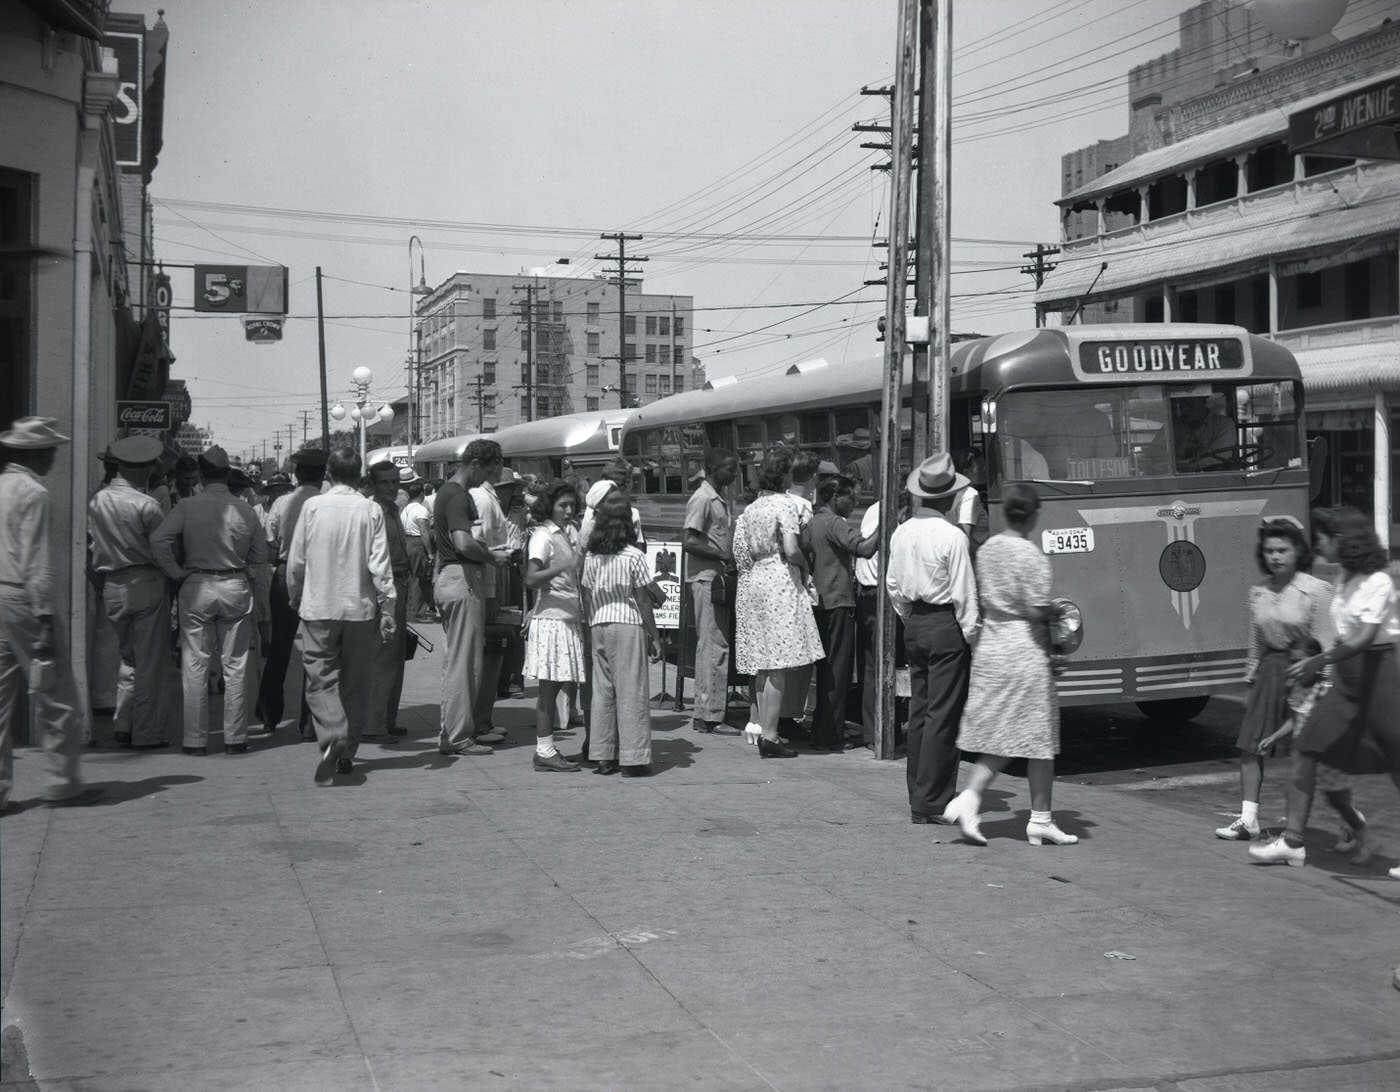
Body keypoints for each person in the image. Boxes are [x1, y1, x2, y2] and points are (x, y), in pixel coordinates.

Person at [1250, 507, 1400, 870]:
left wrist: (1320, 662)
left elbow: (1364, 638)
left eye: (1324, 539)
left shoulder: (1379, 581)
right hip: (1346, 681)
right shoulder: (1345, 576)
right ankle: (1293, 842)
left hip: (1382, 676)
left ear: (1343, 541)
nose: (1318, 545)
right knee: (1307, 747)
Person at [942, 484, 1076, 845]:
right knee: (1035, 736)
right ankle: (1017, 811)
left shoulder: (988, 550)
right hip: (1023, 649)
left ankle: (1034, 817)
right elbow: (1034, 610)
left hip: (993, 646)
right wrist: (1056, 613)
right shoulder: (1031, 555)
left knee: (1015, 733)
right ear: (1032, 516)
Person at [1213, 519, 1332, 842]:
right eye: (1269, 551)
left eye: (1283, 550)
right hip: (1270, 672)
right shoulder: (1259, 592)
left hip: (1306, 674)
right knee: (1251, 745)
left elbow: (1327, 643)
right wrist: (1250, 684)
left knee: (1312, 755)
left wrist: (1324, 686)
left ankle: (1350, 824)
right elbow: (1257, 645)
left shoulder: (1316, 590)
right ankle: (1248, 819)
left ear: (1298, 552)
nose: (1276, 557)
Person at [0, 417, 98, 809]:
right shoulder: (33, 492)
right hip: (23, 600)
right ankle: (63, 783)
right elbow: (36, 561)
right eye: (51, 451)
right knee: (56, 694)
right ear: (37, 454)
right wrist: (44, 619)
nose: (54, 458)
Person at [150, 445, 270, 757]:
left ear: (201, 474)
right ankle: (235, 738)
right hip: (234, 584)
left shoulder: (188, 506)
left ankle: (195, 741)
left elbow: (158, 539)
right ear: (228, 474)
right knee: (235, 665)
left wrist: (176, 572)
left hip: (196, 584)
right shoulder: (245, 510)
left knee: (194, 665)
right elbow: (259, 557)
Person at [286, 448, 396, 784]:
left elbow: (297, 560)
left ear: (329, 474)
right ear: (359, 475)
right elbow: (380, 563)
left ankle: (334, 734)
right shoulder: (370, 509)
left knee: (321, 678)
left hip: (319, 606)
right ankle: (347, 752)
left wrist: (295, 594)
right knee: (356, 682)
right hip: (359, 608)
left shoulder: (312, 507)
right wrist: (388, 605)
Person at [887, 453, 980, 825]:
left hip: (916, 623)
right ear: (950, 499)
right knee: (944, 714)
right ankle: (934, 798)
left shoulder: (901, 532)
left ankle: (918, 795)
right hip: (945, 626)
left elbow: (894, 586)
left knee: (921, 711)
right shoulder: (952, 536)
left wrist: (911, 617)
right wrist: (974, 638)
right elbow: (964, 595)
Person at [732, 449, 825, 759]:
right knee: (780, 664)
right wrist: (804, 564)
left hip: (757, 579)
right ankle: (771, 735)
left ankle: (762, 727)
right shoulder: (784, 505)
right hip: (779, 580)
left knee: (763, 662)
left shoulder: (752, 508)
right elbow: (790, 547)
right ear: (786, 475)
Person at [86, 435, 170, 749]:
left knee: (128, 656)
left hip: (111, 585)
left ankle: (124, 722)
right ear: (143, 468)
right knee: (149, 662)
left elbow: (89, 545)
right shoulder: (147, 505)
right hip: (145, 582)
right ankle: (146, 733)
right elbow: (163, 552)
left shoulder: (97, 500)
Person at [1254, 636, 1370, 860]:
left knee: (1336, 796)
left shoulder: (1325, 690)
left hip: (1327, 752)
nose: (1296, 668)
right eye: (1292, 663)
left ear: (1316, 664)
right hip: (1303, 752)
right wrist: (1274, 737)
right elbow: (1294, 721)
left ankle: (1357, 831)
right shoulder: (1297, 691)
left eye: (1300, 662)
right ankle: (1292, 839)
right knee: (1293, 790)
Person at [434, 440, 512, 756]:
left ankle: (456, 732)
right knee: (464, 665)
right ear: (477, 463)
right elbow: (463, 543)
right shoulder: (456, 496)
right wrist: (492, 557)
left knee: (460, 661)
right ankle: (456, 737)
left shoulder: (448, 493)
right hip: (463, 577)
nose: (489, 480)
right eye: (490, 471)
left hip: (453, 576)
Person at [581, 491, 663, 777]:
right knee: (632, 691)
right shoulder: (634, 556)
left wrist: (590, 624)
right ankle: (634, 758)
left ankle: (603, 755)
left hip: (598, 624)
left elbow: (587, 593)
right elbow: (642, 599)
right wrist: (654, 636)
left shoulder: (592, 556)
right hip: (627, 625)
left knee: (602, 692)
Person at [806, 475, 878, 751]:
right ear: (836, 498)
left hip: (819, 601)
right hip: (838, 602)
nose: (855, 503)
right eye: (851, 498)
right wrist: (888, 524)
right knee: (838, 670)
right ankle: (829, 735)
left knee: (825, 669)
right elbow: (865, 549)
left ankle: (822, 729)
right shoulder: (836, 523)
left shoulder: (814, 521)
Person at [260, 448, 326, 739]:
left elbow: (270, 541)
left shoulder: (282, 503)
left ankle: (269, 716)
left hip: (285, 574)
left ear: (297, 475)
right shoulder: (326, 503)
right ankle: (307, 722)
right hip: (318, 578)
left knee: (280, 648)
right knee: (316, 652)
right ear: (324, 474)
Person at [523, 479, 587, 772]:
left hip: (567, 616)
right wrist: (562, 566)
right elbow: (532, 578)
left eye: (572, 505)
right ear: (550, 506)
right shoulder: (542, 536)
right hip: (551, 619)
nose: (569, 510)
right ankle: (544, 749)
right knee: (549, 687)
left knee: (560, 683)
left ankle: (547, 747)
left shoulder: (567, 532)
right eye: (563, 505)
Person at [683, 448, 737, 734]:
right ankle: (710, 715)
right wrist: (722, 556)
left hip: (714, 578)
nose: (735, 473)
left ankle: (708, 713)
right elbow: (689, 541)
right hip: (705, 579)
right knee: (713, 647)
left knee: (714, 645)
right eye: (730, 468)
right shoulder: (703, 498)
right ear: (715, 469)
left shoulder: (718, 499)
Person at [365, 461, 411, 744]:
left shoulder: (394, 509)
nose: (392, 487)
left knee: (396, 658)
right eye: (385, 482)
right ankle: (373, 724)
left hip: (401, 584)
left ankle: (387, 719)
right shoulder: (372, 511)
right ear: (372, 484)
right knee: (382, 659)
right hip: (384, 589)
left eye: (395, 482)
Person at [469, 440, 511, 739]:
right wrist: (493, 594)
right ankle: (479, 721)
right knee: (486, 653)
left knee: (490, 652)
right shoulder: (483, 500)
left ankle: (483, 718)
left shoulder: (486, 497)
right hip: (485, 584)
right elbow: (481, 546)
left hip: (489, 581)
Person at [778, 450, 820, 740]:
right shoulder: (802, 508)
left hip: (775, 585)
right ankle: (788, 715)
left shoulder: (775, 502)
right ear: (813, 478)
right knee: (799, 655)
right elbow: (800, 548)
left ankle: (778, 714)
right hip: (796, 583)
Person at [1169, 394, 1237, 472]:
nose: (1184, 411)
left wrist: (1189, 466)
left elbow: (1220, 458)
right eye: (1181, 406)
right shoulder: (1175, 427)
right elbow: (1168, 458)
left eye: (1189, 405)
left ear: (1203, 403)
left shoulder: (1224, 424)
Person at [401, 476, 435, 623]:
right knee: (419, 579)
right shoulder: (421, 510)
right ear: (421, 495)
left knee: (410, 578)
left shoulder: (405, 510)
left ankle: (409, 611)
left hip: (406, 543)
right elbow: (424, 532)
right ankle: (418, 612)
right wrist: (430, 552)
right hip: (417, 544)